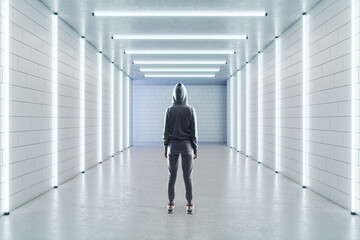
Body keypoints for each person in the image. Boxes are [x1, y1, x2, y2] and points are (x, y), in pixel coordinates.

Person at [163, 82, 198, 214]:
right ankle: (189, 204)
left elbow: (166, 132)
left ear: (174, 95)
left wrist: (166, 147)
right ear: (185, 95)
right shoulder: (190, 110)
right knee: (187, 177)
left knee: (171, 176)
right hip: (187, 146)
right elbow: (194, 133)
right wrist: (195, 149)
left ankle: (171, 204)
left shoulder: (169, 110)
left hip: (172, 146)